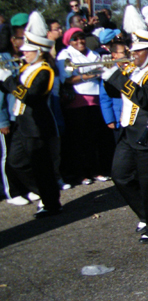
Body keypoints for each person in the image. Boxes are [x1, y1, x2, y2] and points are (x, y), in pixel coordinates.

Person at [103, 7, 148, 243]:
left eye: (138, 49)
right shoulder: (135, 70)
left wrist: (117, 76)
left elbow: (144, 98)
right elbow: (115, 92)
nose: (133, 53)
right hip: (129, 130)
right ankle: (147, 214)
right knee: (119, 175)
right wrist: (109, 74)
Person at [0, 12, 61, 218]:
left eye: (28, 51)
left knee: (41, 167)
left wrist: (8, 80)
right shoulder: (27, 67)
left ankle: (51, 202)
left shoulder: (44, 71)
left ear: (39, 51)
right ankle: (43, 193)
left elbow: (30, 96)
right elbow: (13, 88)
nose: (23, 53)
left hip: (37, 125)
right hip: (22, 122)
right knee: (16, 162)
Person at [57, 27, 112, 185]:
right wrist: (91, 74)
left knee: (94, 137)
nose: (80, 41)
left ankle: (96, 170)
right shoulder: (65, 55)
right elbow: (67, 79)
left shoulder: (93, 53)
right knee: (79, 139)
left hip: (96, 97)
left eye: (81, 37)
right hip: (78, 99)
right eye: (75, 39)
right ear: (69, 41)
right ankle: (81, 173)